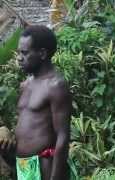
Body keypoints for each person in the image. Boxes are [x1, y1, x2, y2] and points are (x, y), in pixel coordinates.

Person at [1, 25, 73, 180]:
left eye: (25, 53)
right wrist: (10, 152)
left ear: (42, 53)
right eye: (19, 52)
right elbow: (28, 129)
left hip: (46, 168)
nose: (19, 57)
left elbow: (63, 137)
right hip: (24, 167)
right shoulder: (25, 85)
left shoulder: (56, 86)